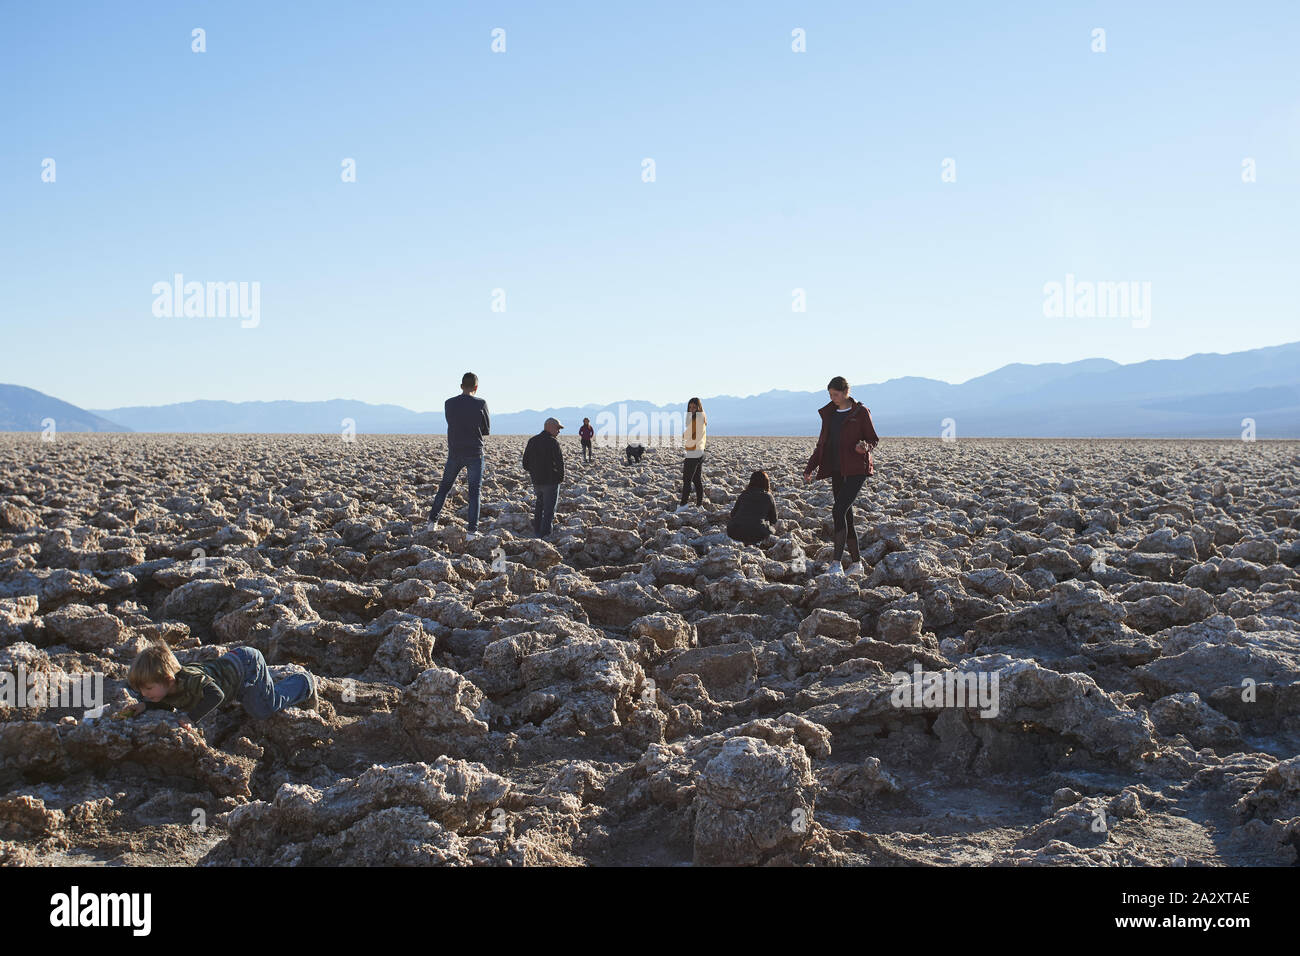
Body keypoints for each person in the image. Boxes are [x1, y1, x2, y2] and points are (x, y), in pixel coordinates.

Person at [127, 642, 316, 726]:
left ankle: (304, 682)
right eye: (141, 690)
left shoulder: (190, 680)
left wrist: (192, 718)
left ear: (168, 679)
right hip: (232, 669)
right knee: (247, 700)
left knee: (263, 709)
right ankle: (253, 689)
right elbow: (169, 703)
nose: (144, 693)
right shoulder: (169, 687)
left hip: (246, 666)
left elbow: (216, 695)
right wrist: (146, 705)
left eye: (148, 689)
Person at [803, 376, 879, 575]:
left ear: (846, 392)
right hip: (836, 469)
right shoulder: (830, 414)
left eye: (835, 394)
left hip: (856, 469)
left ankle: (836, 564)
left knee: (838, 511)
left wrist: (865, 447)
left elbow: (873, 438)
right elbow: (822, 445)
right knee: (847, 515)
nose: (833, 398)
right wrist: (810, 467)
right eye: (830, 395)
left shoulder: (860, 412)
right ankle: (856, 564)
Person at [428, 372, 491, 538]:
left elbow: (451, 422)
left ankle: (431, 523)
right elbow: (486, 430)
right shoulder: (481, 403)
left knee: (444, 488)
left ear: (461, 386)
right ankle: (472, 531)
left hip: (455, 452)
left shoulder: (449, 403)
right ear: (476, 387)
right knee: (474, 493)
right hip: (475, 453)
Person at [522, 417, 565, 537]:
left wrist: (534, 472)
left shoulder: (532, 441)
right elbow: (560, 463)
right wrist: (560, 478)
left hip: (536, 481)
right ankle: (545, 534)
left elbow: (525, 463)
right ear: (550, 427)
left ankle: (537, 532)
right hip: (551, 482)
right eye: (557, 428)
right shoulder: (553, 442)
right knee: (549, 510)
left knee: (539, 506)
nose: (559, 431)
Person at [727, 470, 779, 545]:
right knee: (772, 530)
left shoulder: (744, 494)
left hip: (734, 532)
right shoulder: (768, 496)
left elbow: (733, 514)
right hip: (757, 533)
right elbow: (774, 519)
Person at [676, 397, 707, 512]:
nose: (692, 409)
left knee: (687, 480)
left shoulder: (696, 419)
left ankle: (683, 505)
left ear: (698, 407)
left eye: (694, 407)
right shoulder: (702, 417)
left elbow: (686, 435)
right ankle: (700, 505)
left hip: (693, 452)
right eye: (690, 407)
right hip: (701, 451)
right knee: (696, 480)